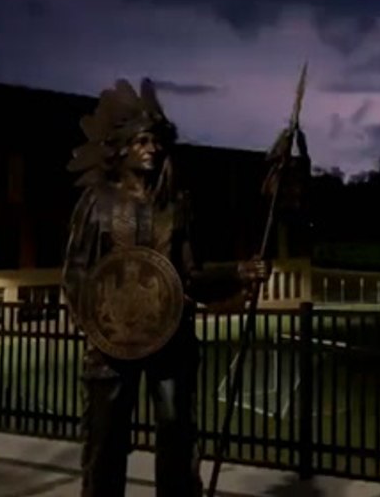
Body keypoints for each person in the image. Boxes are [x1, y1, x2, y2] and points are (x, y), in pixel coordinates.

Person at [61, 78, 266, 497]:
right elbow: (77, 274)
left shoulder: (175, 206)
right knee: (105, 441)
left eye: (155, 141)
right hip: (111, 348)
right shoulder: (97, 203)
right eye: (141, 141)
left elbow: (187, 275)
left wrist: (237, 273)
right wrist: (101, 326)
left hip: (171, 340)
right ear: (122, 148)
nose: (151, 148)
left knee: (177, 433)